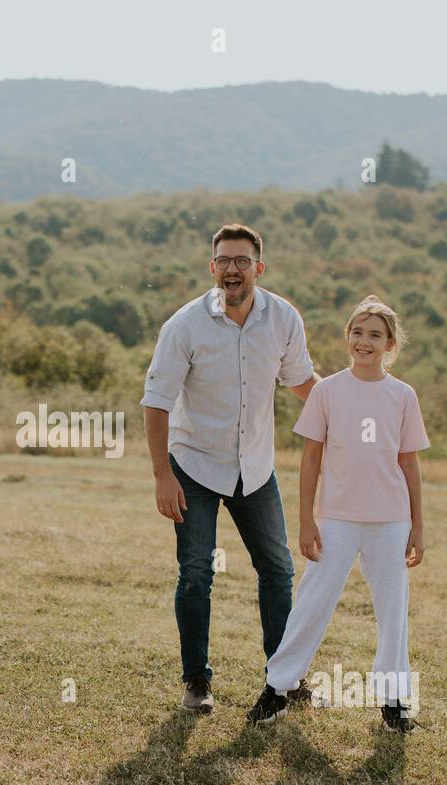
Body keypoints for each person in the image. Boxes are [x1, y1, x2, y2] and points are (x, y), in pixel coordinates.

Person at [142, 223, 319, 715]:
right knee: (197, 573)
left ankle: (283, 679)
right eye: (223, 260)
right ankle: (197, 681)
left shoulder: (283, 319)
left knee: (279, 570)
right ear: (212, 268)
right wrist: (162, 475)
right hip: (193, 465)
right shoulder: (184, 325)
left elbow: (302, 382)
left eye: (242, 261)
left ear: (258, 268)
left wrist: (357, 408)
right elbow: (156, 403)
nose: (232, 269)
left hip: (255, 469)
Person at [249, 295, 429, 732]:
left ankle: (394, 702)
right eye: (357, 332)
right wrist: (307, 520)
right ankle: (278, 688)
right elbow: (311, 458)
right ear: (348, 336)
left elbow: (409, 463)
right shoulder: (327, 391)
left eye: (375, 335)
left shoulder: (402, 395)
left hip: (390, 521)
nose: (364, 341)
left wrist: (417, 527)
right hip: (337, 519)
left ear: (390, 344)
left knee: (392, 610)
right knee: (312, 602)